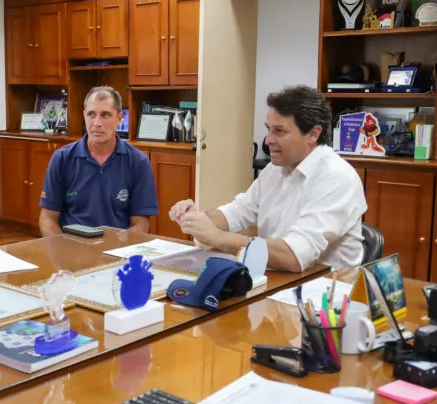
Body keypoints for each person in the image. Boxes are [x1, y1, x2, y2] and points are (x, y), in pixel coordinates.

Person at [170, 86, 366, 271]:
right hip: (275, 282)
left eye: (279, 131)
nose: (268, 140)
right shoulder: (275, 169)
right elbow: (237, 212)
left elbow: (294, 256)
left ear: (313, 134)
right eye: (268, 129)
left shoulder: (337, 177)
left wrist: (218, 238)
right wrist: (199, 218)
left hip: (323, 297)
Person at [39, 87, 158, 236]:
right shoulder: (62, 159)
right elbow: (48, 219)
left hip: (117, 249)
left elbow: (140, 224)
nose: (97, 123)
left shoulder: (138, 162)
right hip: (72, 249)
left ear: (120, 118)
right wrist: (63, 251)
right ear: (84, 115)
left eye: (105, 115)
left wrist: (116, 249)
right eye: (91, 114)